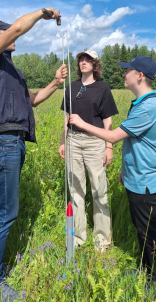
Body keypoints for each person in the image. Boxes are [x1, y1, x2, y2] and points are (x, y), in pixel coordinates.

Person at [0, 8, 67, 302]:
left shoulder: (13, 70)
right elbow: (16, 29)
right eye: (5, 31)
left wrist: (54, 82)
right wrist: (42, 13)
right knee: (6, 211)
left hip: (15, 141)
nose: (13, 34)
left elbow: (33, 102)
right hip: (3, 142)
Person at [69, 56, 156, 283]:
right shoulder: (141, 103)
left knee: (149, 231)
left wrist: (82, 124)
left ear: (139, 76)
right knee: (141, 228)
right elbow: (135, 142)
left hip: (145, 180)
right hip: (137, 176)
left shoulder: (147, 107)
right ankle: (146, 270)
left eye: (128, 71)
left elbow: (114, 136)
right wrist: (125, 170)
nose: (124, 74)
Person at [59, 50, 118, 252]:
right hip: (73, 141)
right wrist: (63, 142)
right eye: (81, 60)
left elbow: (108, 120)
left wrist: (108, 146)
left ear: (95, 65)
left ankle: (102, 239)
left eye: (88, 60)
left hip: (95, 142)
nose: (83, 62)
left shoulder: (103, 88)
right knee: (76, 191)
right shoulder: (71, 87)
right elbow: (67, 119)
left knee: (99, 190)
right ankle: (78, 237)